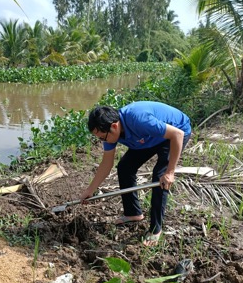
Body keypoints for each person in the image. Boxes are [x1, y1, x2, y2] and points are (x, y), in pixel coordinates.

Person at [79, 101, 192, 246]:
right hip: (148, 138)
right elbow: (106, 164)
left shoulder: (138, 119)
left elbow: (177, 134)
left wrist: (170, 172)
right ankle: (133, 213)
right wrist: (90, 190)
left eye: (102, 138)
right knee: (125, 167)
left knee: (160, 176)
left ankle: (156, 229)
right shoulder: (111, 131)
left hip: (174, 133)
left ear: (114, 126)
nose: (102, 141)